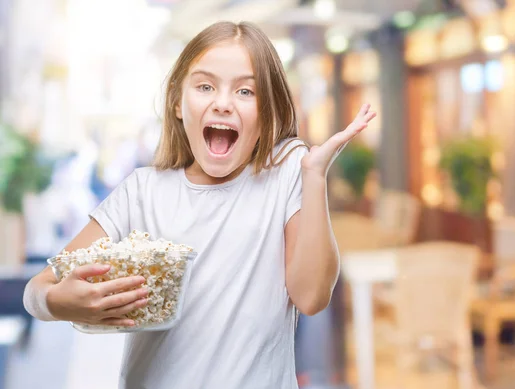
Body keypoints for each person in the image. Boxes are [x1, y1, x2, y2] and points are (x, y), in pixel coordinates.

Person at [22, 21, 376, 389]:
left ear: (267, 109)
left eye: (245, 91)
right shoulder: (142, 192)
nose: (222, 103)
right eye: (205, 86)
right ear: (178, 101)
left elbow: (312, 296)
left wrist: (314, 178)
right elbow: (38, 287)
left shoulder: (285, 172)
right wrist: (56, 302)